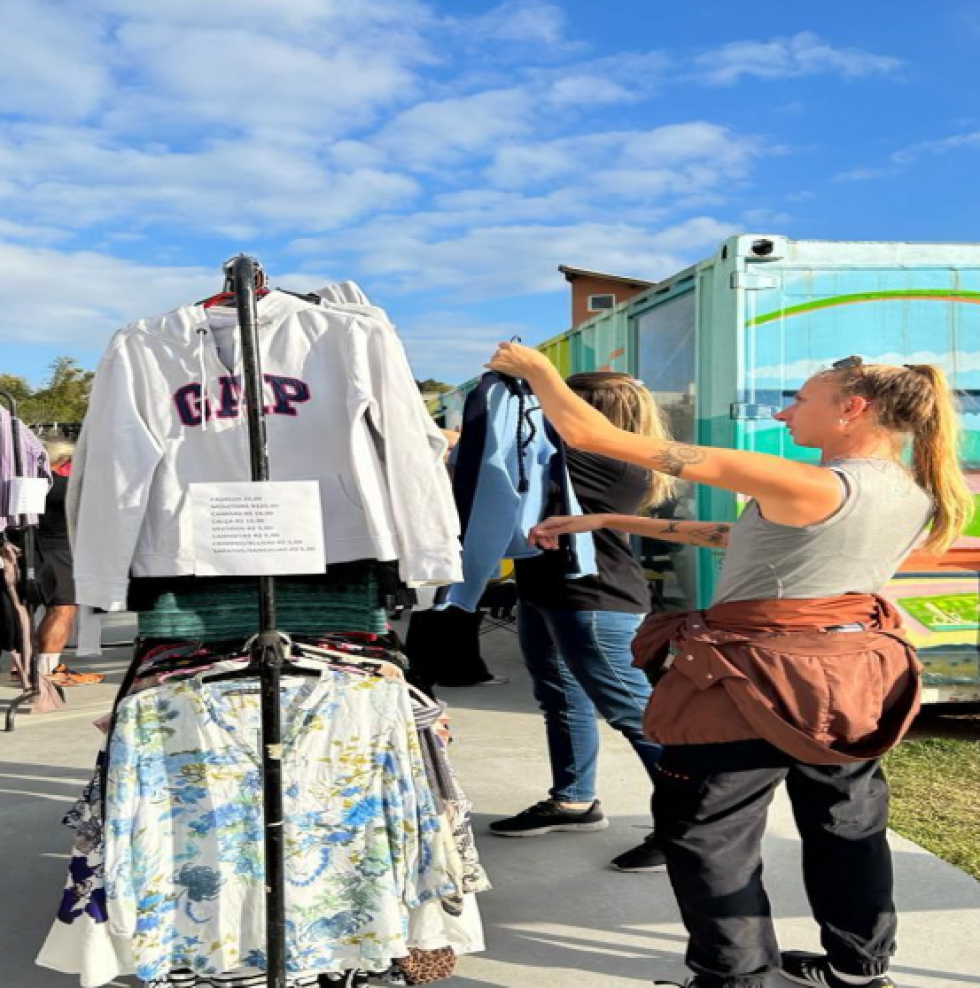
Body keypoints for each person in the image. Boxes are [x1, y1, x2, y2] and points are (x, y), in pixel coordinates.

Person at [487, 344, 973, 988]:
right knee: (846, 825)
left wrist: (539, 371)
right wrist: (608, 518)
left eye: (800, 398)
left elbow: (588, 433)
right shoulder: (909, 491)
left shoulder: (807, 482)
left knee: (709, 831)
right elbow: (736, 537)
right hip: (854, 675)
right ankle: (859, 969)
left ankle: (736, 977)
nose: (785, 412)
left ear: (852, 409)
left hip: (757, 680)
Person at [488, 372, 677, 873]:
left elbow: (494, 446)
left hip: (594, 603)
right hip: (550, 594)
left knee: (637, 715)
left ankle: (689, 827)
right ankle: (573, 801)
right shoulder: (579, 458)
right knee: (560, 698)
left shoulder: (604, 460)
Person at [36, 439, 104, 686]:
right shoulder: (64, 487)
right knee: (62, 611)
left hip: (34, 553)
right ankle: (48, 671)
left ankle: (38, 667)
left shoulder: (30, 487)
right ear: (62, 460)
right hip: (60, 554)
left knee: (34, 613)